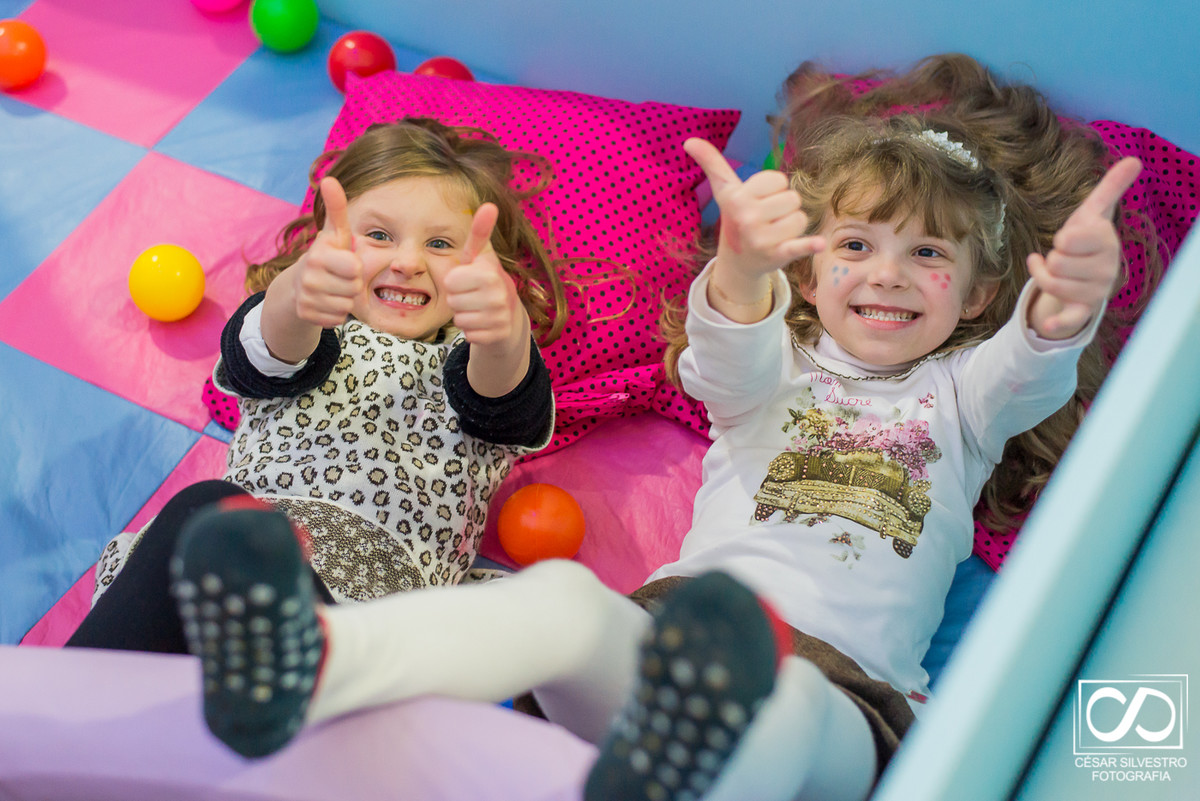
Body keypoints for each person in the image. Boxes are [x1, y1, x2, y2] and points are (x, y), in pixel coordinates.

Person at [165, 57, 1148, 801]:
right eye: (854, 246)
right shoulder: (770, 375)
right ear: (808, 269)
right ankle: (311, 664)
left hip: (843, 695)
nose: (885, 274)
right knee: (554, 598)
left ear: (980, 292)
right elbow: (727, 348)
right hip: (670, 643)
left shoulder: (965, 400)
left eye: (926, 253)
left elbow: (1032, 368)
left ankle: (686, 772)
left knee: (788, 705)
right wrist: (741, 262)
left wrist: (1066, 305)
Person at [67, 118, 566, 654]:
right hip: (233, 561)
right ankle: (80, 707)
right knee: (204, 508)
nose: (408, 262)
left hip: (372, 618)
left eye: (442, 244)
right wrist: (297, 293)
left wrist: (504, 330)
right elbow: (265, 348)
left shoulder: (468, 362)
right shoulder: (313, 336)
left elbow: (503, 396)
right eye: (378, 235)